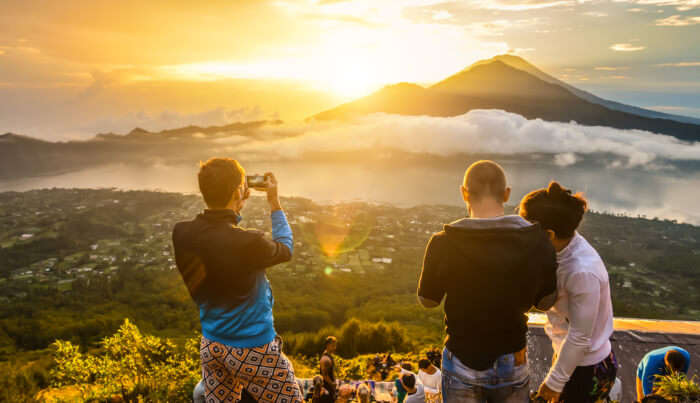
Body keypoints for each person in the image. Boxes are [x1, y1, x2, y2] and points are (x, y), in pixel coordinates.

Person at [417, 160, 558, 402]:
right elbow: (546, 302)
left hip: (461, 359)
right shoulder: (537, 240)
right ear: (506, 194)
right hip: (512, 358)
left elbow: (427, 300)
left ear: (464, 193)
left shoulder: (443, 242)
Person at [172, 158, 302, 403]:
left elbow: (215, 238)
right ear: (237, 192)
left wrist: (233, 206)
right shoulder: (248, 242)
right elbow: (285, 248)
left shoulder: (181, 232)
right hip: (253, 349)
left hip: (211, 345)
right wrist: (274, 202)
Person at [520, 182, 617, 403]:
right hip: (569, 356)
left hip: (586, 367)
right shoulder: (561, 246)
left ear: (549, 234)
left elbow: (580, 337)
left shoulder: (582, 271)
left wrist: (552, 385)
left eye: (526, 227)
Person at [320, 336, 338, 401]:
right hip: (326, 389)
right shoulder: (325, 358)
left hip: (329, 389)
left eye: (335, 346)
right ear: (327, 345)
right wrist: (332, 384)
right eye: (333, 346)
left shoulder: (329, 357)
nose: (334, 348)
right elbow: (324, 374)